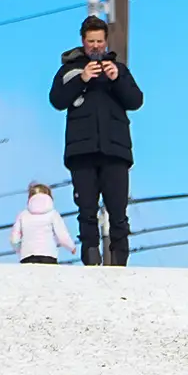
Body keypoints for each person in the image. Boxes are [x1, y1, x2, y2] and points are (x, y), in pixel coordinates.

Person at [49, 15, 143, 266]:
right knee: (86, 211)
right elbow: (57, 101)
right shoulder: (69, 70)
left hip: (116, 152)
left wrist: (117, 80)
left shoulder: (119, 70)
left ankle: (120, 260)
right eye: (91, 41)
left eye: (100, 41)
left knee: (118, 212)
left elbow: (136, 101)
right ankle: (90, 257)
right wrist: (82, 79)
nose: (96, 46)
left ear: (106, 41)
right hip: (82, 152)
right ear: (83, 41)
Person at [11, 182, 75, 263]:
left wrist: (19, 249)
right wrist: (71, 247)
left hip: (27, 256)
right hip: (49, 255)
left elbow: (14, 239)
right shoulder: (53, 214)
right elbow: (62, 234)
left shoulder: (23, 215)